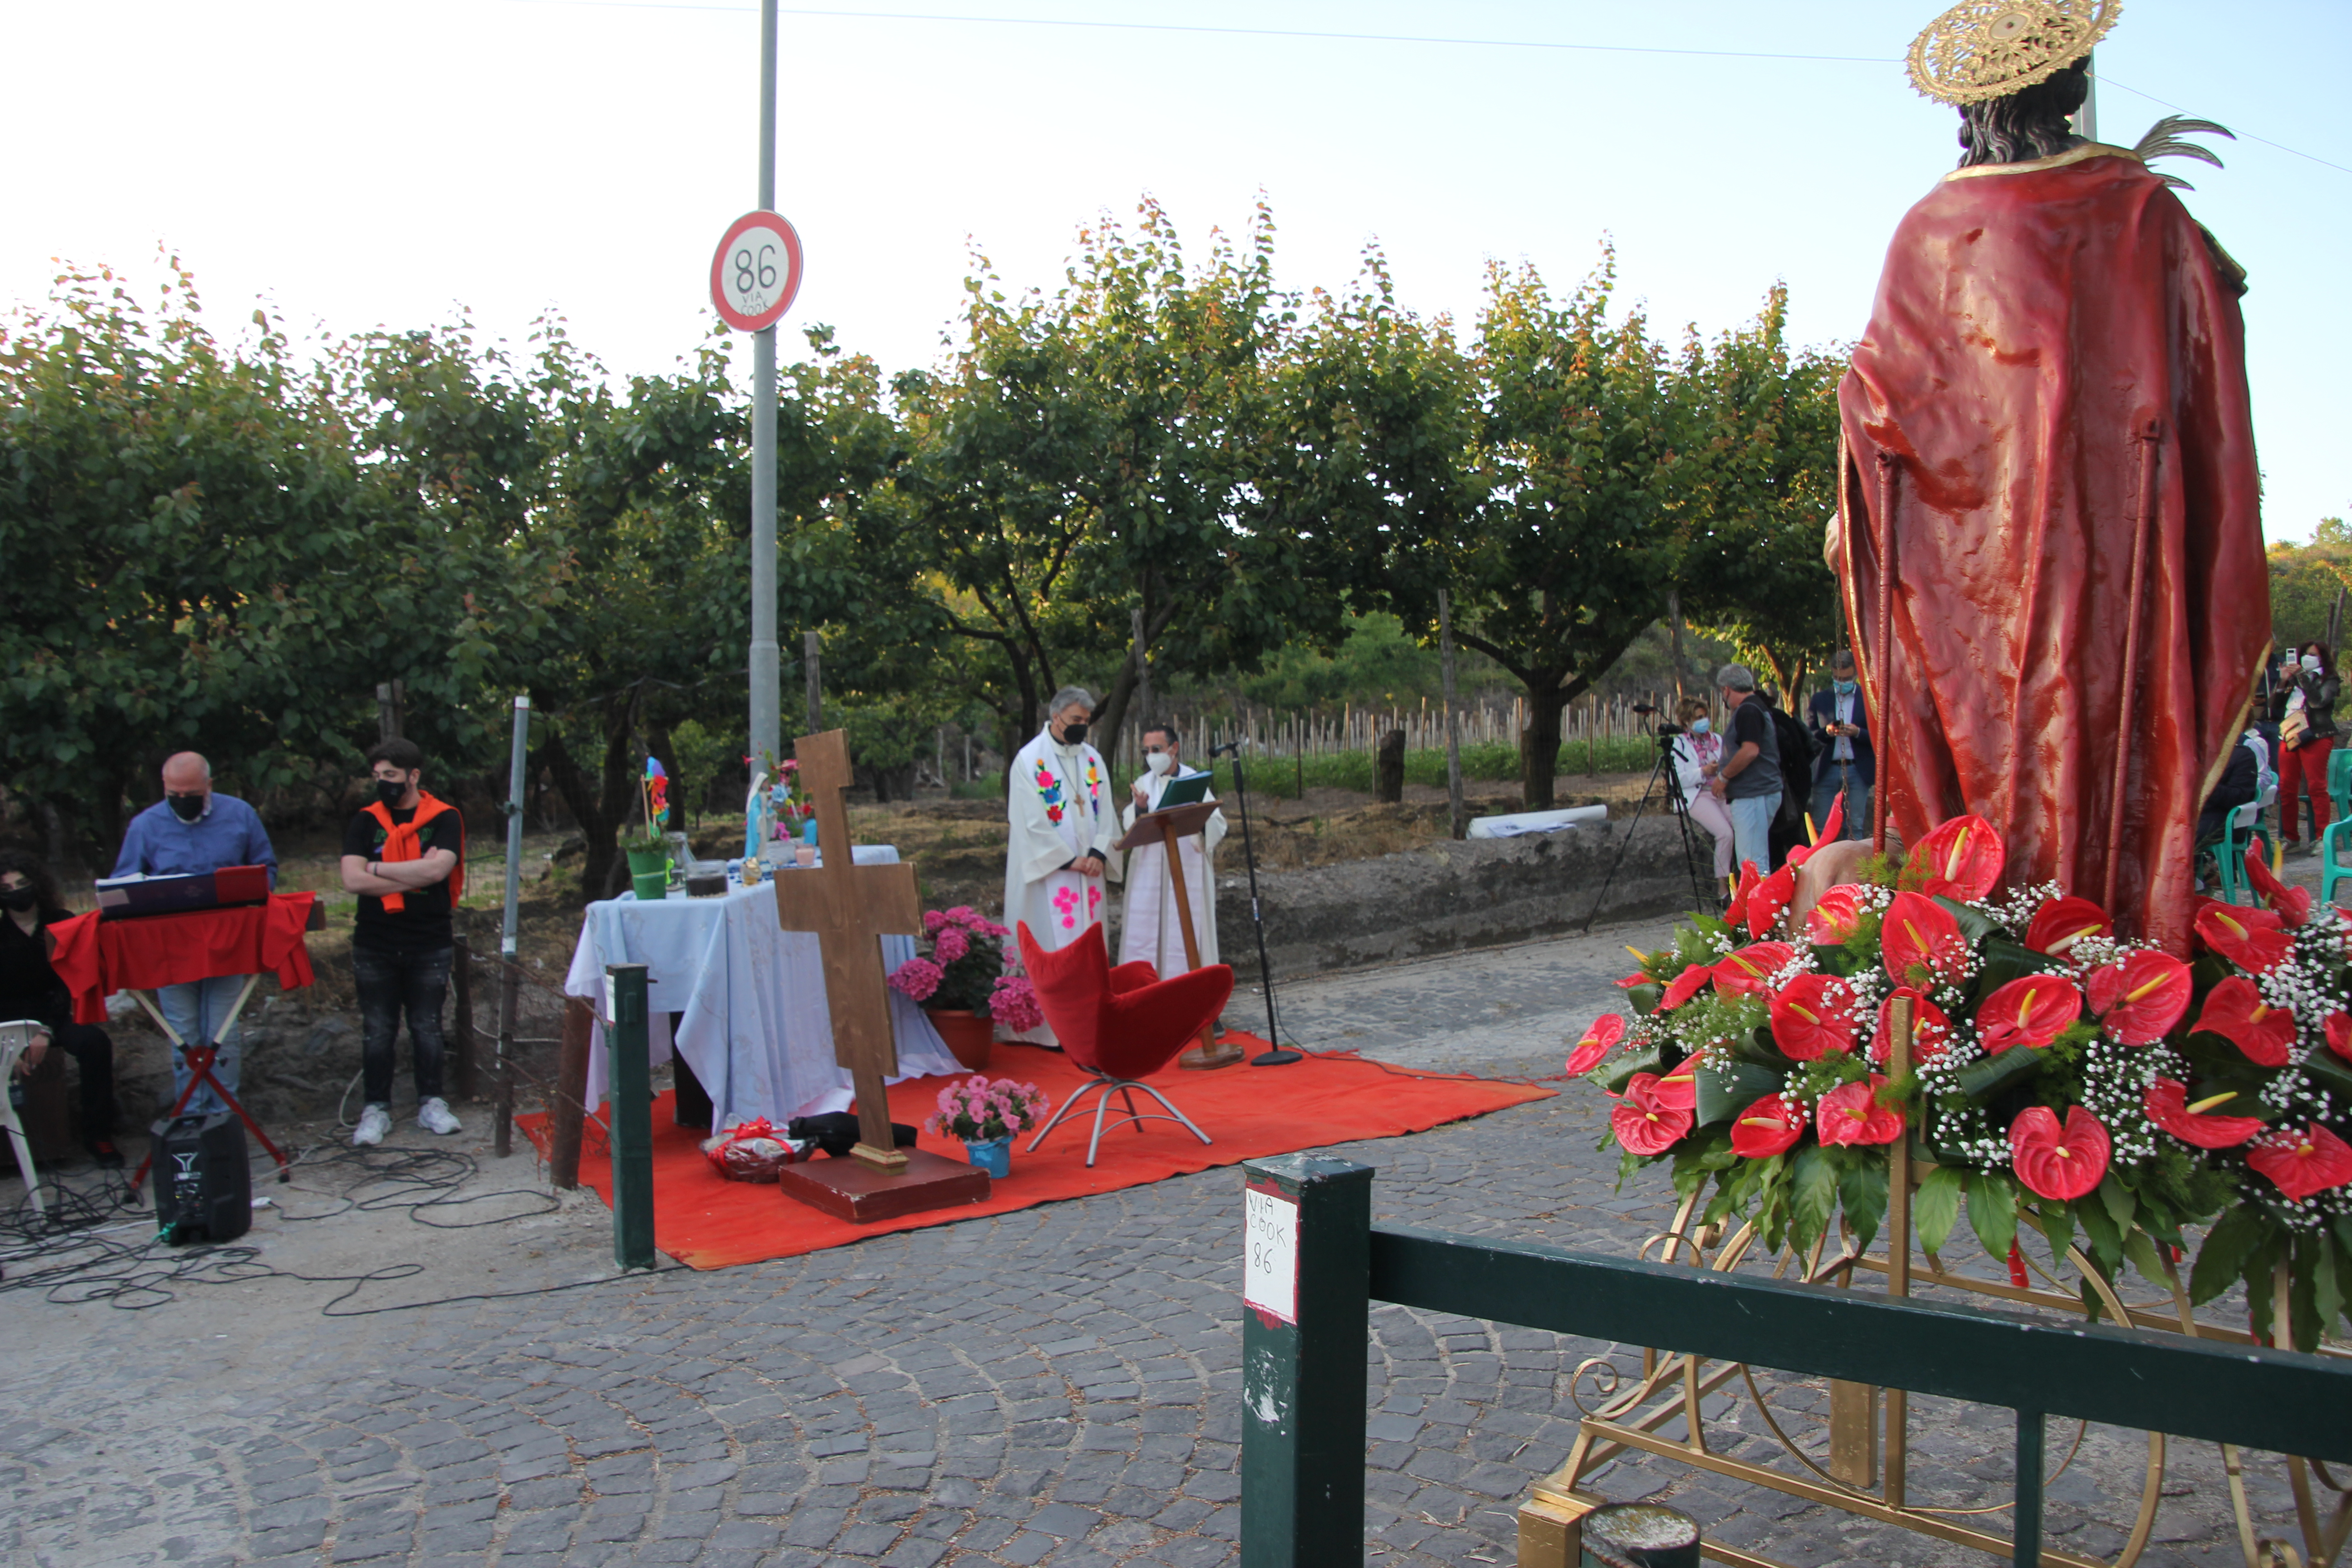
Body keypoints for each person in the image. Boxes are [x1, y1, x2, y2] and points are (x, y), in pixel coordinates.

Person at [1833, 13, 2267, 951]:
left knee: (1989, 740)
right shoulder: (2140, 208)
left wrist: (1859, 504)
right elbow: (2202, 358)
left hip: (1968, 580)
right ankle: (2100, 947)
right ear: (2066, 87)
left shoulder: (1928, 229)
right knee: (2103, 727)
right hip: (2111, 547)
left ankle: (1990, 946)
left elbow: (1878, 403)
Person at [110, 752, 277, 1115]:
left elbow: (268, 870)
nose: (182, 801)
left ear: (209, 786)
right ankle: (192, 1116)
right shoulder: (145, 825)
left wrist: (251, 894)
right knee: (184, 1034)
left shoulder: (240, 815)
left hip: (227, 943)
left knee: (223, 1032)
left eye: (192, 793)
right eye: (175, 793)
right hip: (171, 950)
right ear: (165, 788)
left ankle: (224, 1117)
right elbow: (123, 887)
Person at [339, 740, 465, 1147]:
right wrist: (414, 872)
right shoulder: (364, 821)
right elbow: (352, 880)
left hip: (429, 938)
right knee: (378, 1029)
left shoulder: (445, 817)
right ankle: (376, 1107)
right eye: (378, 777)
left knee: (427, 1025)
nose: (383, 784)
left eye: (390, 776)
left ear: (414, 776)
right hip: (374, 940)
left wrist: (377, 867)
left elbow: (440, 871)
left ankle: (432, 1102)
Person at [0, 854, 122, 1168]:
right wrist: (12, 1041)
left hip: (51, 1016)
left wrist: (44, 1029)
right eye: (8, 887)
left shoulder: (61, 923)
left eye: (23, 884)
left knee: (95, 1044)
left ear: (37, 884)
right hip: (7, 1023)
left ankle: (99, 1136)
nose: (17, 891)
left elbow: (67, 984)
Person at [1004, 688, 1118, 957]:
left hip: (1090, 869)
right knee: (1050, 943)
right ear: (1056, 717)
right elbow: (1027, 820)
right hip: (1050, 872)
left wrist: (1098, 853)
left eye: (1086, 721)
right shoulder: (1029, 760)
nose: (1083, 727)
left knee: (1089, 943)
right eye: (1076, 720)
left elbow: (1106, 810)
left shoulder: (1092, 759)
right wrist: (1067, 860)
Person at [1117, 722, 1226, 974]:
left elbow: (1216, 821)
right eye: (1146, 751)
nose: (1151, 756)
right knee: (1148, 932)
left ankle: (1192, 993)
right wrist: (1141, 809)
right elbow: (1130, 823)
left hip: (1187, 868)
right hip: (1151, 872)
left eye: (1157, 748)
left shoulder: (1193, 781)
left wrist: (1198, 822)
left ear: (1174, 748)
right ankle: (1148, 992)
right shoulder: (1142, 784)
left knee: (1186, 928)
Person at [1709, 664, 1782, 878]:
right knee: (1754, 858)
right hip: (1759, 791)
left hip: (1754, 794)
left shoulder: (1748, 711)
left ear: (1727, 690)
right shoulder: (1757, 707)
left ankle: (1758, 909)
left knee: (1753, 862)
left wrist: (1724, 776)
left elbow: (1750, 751)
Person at [2274, 642, 2339, 856]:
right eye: (2305, 655)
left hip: (2316, 735)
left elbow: (2318, 702)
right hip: (2290, 734)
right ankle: (2291, 837)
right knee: (2286, 788)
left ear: (2322, 659)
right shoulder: (2294, 679)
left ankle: (2322, 837)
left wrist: (2302, 676)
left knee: (2317, 787)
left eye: (2313, 655)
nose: (2308, 658)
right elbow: (2274, 709)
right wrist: (2283, 681)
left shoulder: (2329, 679)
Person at [1667, 696, 1737, 891]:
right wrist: (1703, 772)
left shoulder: (1717, 740)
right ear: (1686, 722)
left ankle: (1744, 881)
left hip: (1720, 791)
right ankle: (1723, 888)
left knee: (1742, 828)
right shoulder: (1679, 745)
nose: (1703, 721)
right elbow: (1677, 778)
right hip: (1698, 795)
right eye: (1698, 718)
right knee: (1725, 834)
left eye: (1705, 716)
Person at [1806, 650, 1874, 841]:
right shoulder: (1821, 700)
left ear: (1856, 674)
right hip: (1827, 769)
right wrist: (1827, 732)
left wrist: (1858, 732)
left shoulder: (1868, 699)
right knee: (1820, 827)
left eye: (1846, 678)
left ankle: (1853, 870)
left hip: (1857, 770)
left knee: (1854, 828)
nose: (1841, 682)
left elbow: (1881, 736)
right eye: (1837, 677)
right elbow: (1809, 736)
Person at [1760, 684, 1816, 868]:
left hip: (1785, 785)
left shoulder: (1769, 722)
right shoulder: (1781, 717)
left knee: (1781, 835)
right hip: (1795, 782)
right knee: (1791, 834)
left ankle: (1788, 874)